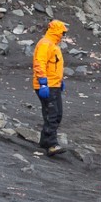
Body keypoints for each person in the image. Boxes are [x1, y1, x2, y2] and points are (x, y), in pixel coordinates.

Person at [32, 19, 69, 156]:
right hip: (47, 85)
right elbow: (39, 63)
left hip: (54, 85)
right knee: (52, 114)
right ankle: (52, 144)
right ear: (57, 31)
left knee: (57, 114)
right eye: (62, 32)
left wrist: (60, 81)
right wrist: (42, 82)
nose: (63, 36)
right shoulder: (45, 44)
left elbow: (54, 66)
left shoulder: (53, 45)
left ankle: (44, 140)